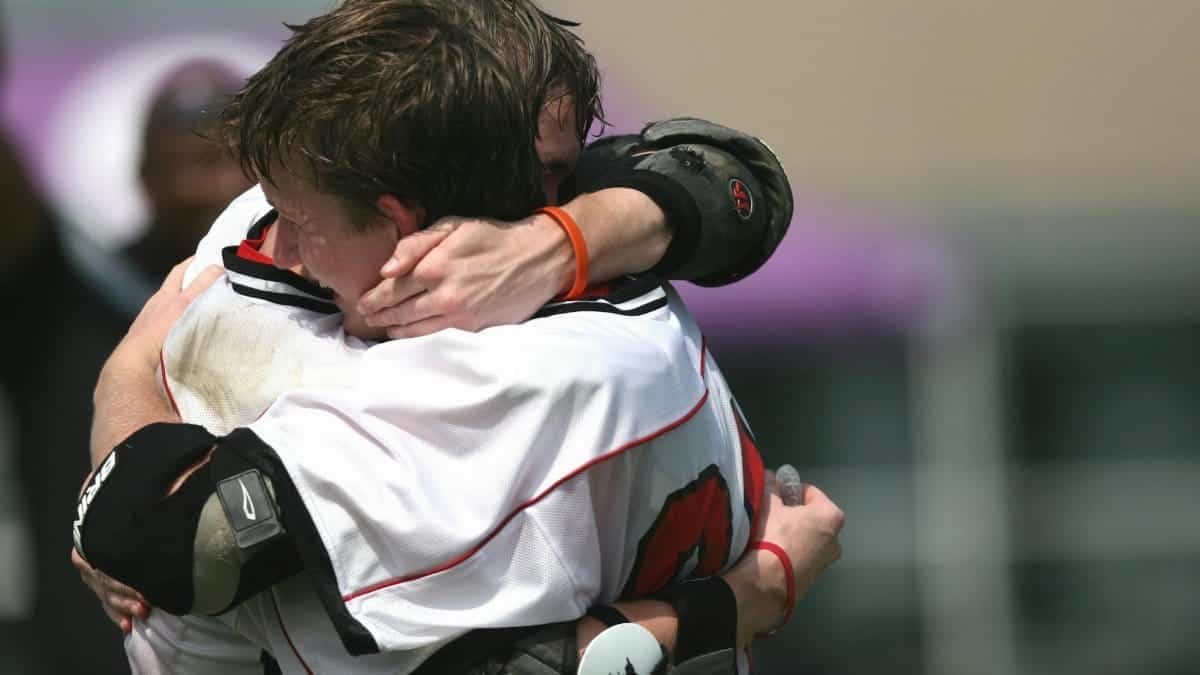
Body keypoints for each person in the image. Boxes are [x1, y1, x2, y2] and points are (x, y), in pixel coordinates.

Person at [75, 0, 838, 672]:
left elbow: (181, 542)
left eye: (559, 170)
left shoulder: (506, 366)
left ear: (404, 213)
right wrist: (571, 237)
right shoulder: (292, 219)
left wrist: (130, 376)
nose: (280, 239)